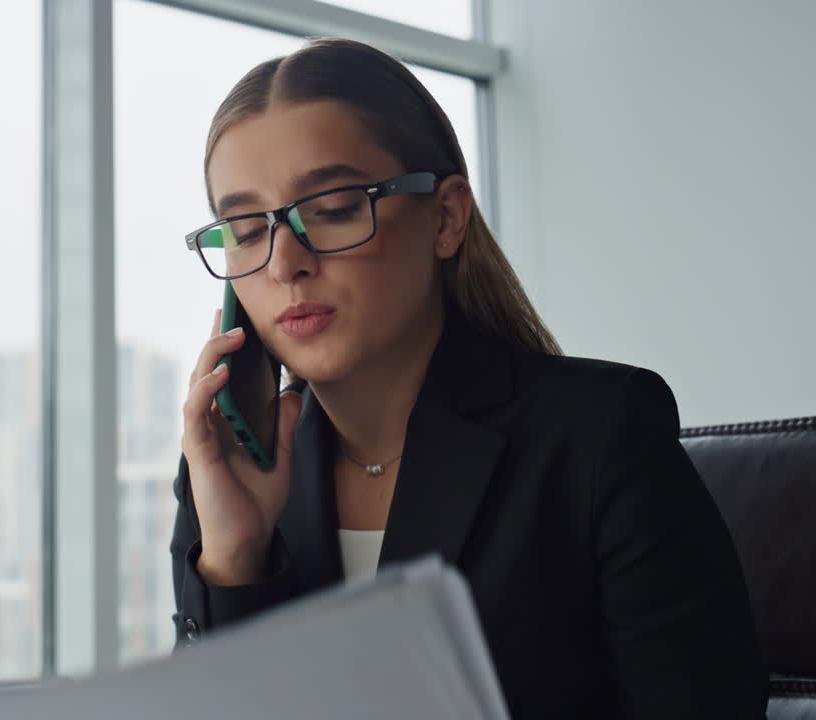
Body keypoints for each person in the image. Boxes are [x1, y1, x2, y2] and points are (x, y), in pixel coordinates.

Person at [169, 37, 766, 718]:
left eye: (333, 208)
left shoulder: (602, 438)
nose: (284, 264)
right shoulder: (228, 476)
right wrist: (234, 561)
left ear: (446, 216)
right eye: (246, 229)